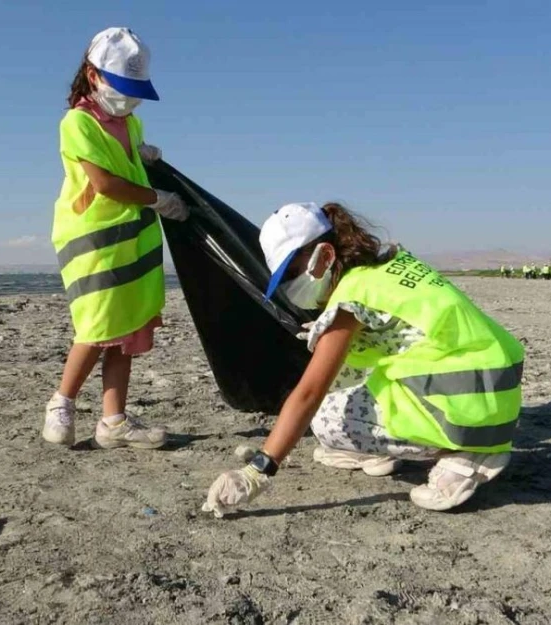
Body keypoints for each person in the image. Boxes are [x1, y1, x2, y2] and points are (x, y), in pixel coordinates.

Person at [201, 202, 524, 516]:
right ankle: (374, 448)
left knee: (324, 418)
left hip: (471, 411)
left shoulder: (352, 297)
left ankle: (465, 455)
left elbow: (309, 393)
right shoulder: (388, 266)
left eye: (292, 272)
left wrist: (259, 470)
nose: (290, 285)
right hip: (493, 390)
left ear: (325, 254)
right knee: (348, 369)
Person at [43, 27, 189, 450]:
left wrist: (144, 154)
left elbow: (128, 161)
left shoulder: (131, 121)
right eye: (120, 86)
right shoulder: (77, 122)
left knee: (125, 330)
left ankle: (114, 422)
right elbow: (104, 183)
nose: (127, 98)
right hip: (95, 237)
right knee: (97, 323)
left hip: (134, 239)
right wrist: (157, 198)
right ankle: (61, 404)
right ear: (93, 75)